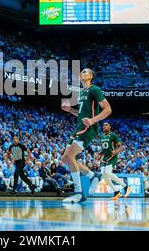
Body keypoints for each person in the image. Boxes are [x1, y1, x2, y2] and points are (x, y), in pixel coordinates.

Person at [61, 68, 112, 203]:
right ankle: (93, 175)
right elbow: (82, 115)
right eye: (81, 72)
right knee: (66, 158)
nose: (81, 73)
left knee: (71, 156)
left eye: (84, 72)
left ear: (90, 76)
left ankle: (78, 193)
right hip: (79, 127)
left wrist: (92, 120)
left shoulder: (94, 89)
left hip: (88, 127)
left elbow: (108, 109)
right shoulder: (80, 92)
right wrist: (70, 110)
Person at [97, 122, 131, 200]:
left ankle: (125, 186)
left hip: (112, 156)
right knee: (103, 175)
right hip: (104, 157)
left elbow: (121, 147)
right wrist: (100, 153)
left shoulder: (113, 135)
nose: (104, 126)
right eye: (103, 125)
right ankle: (116, 192)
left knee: (108, 173)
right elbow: (104, 148)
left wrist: (116, 151)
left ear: (110, 127)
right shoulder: (102, 136)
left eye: (106, 125)